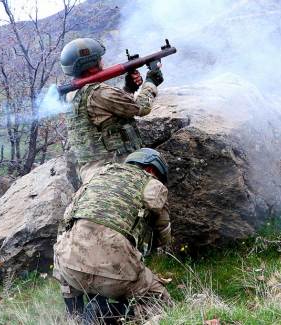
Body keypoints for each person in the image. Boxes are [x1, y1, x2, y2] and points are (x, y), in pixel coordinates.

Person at [53, 148, 172, 323]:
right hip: (115, 271)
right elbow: (163, 236)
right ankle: (104, 312)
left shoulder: (98, 174)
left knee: (64, 249)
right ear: (152, 170)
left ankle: (74, 316)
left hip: (69, 268)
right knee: (162, 305)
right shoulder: (153, 184)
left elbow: (66, 220)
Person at [59, 37, 165, 182]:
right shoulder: (99, 92)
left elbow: (107, 112)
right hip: (117, 169)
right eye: (99, 58)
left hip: (92, 172)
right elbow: (142, 108)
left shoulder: (70, 95)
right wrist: (151, 82)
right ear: (91, 64)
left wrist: (129, 89)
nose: (102, 61)